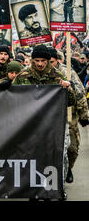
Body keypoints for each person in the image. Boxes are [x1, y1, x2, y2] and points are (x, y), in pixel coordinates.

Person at [13, 44, 76, 200]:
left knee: (56, 158)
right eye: (36, 60)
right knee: (33, 159)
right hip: (31, 126)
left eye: (43, 60)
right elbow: (12, 98)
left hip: (52, 126)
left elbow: (71, 101)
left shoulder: (58, 76)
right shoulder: (23, 75)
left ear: (48, 61)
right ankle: (34, 190)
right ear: (32, 60)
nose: (39, 64)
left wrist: (67, 89)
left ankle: (55, 189)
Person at [49, 48, 89, 184]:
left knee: (72, 148)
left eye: (51, 62)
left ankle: (68, 168)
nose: (47, 64)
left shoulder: (67, 72)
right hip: (47, 117)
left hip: (68, 115)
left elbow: (80, 93)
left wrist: (84, 115)